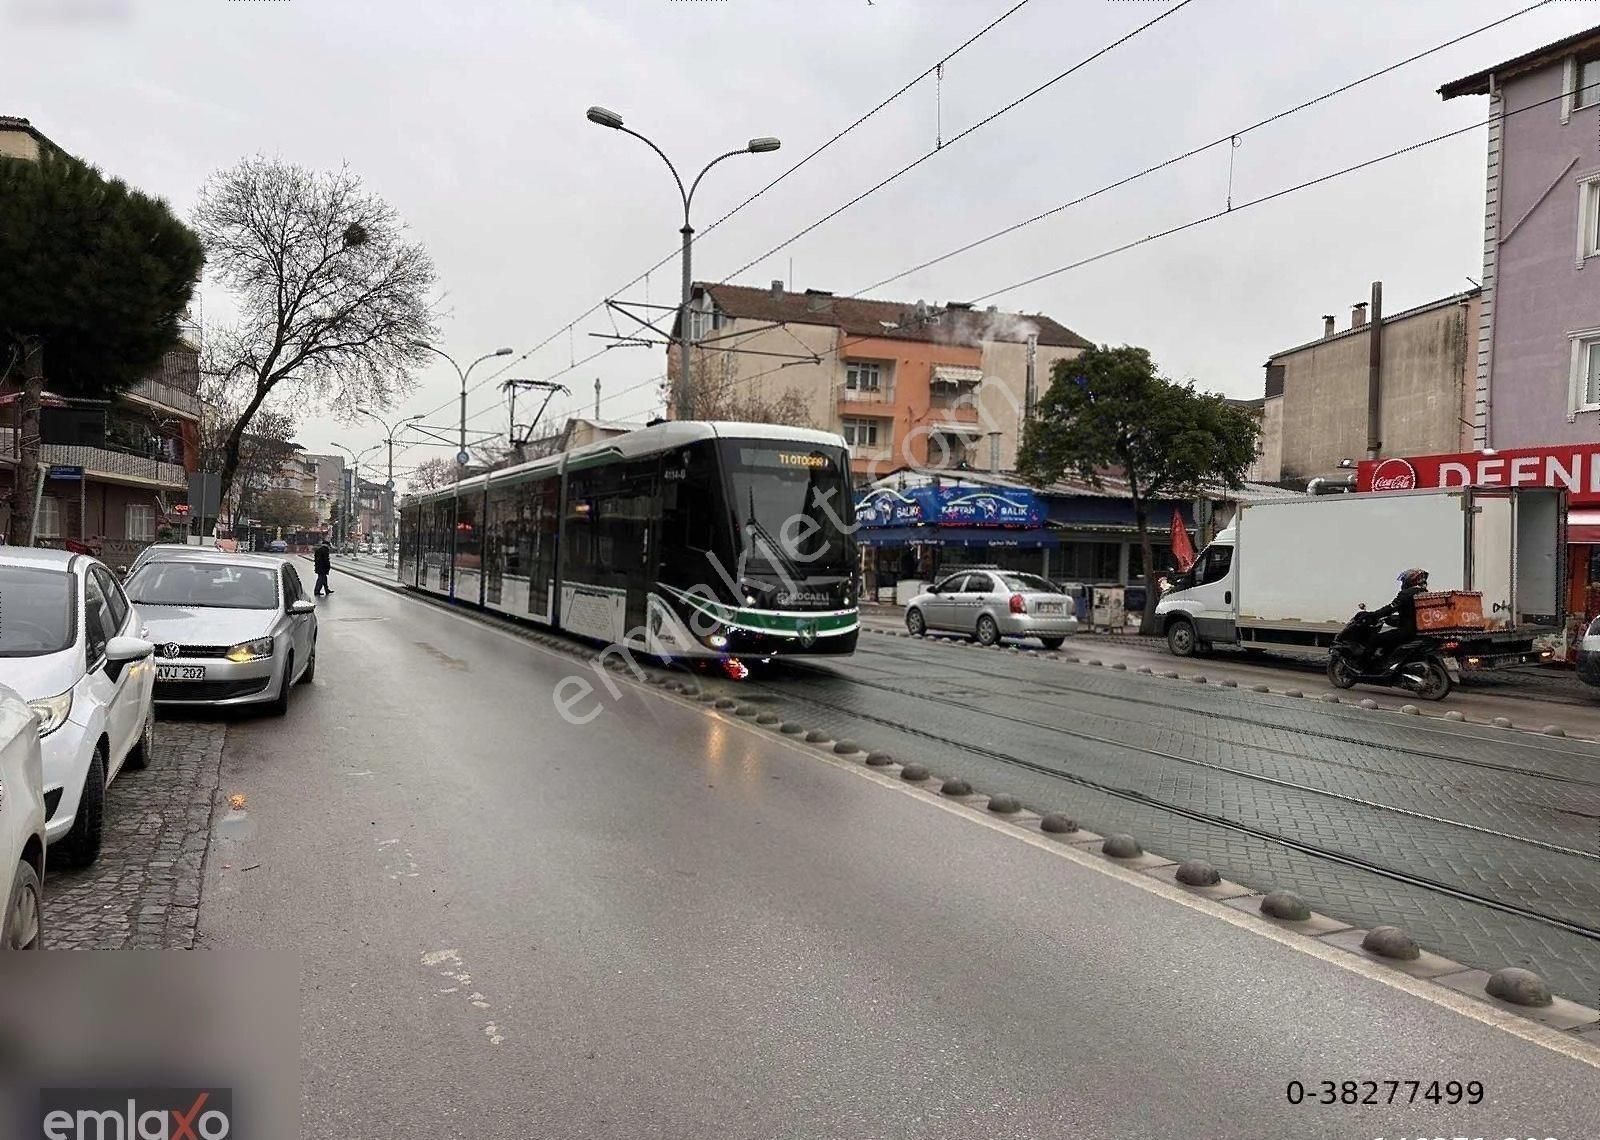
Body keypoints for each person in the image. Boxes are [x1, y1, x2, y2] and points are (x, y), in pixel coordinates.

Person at [1368, 567, 1429, 668]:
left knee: (1374, 639)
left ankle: (1376, 666)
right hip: (1420, 632)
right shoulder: (1426, 594)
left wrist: (1373, 615)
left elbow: (1391, 608)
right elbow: (1412, 614)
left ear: (1410, 580)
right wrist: (1393, 619)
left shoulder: (1407, 594)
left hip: (1408, 632)